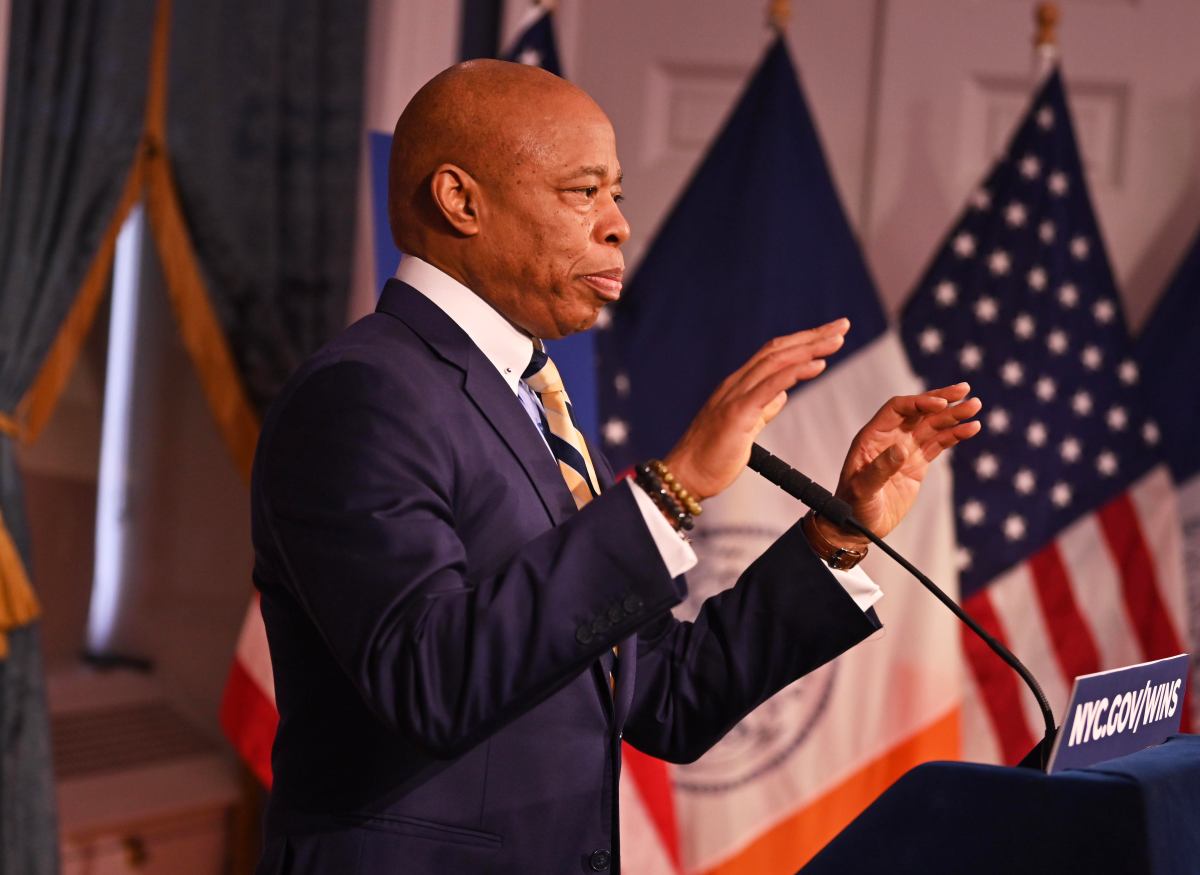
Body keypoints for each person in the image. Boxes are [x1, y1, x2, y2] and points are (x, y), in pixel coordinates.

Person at [251, 60, 981, 874]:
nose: (618, 226)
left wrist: (839, 533)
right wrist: (671, 490)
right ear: (461, 201)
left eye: (617, 194)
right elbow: (432, 679)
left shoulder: (528, 399)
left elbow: (662, 695)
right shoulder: (362, 396)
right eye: (582, 192)